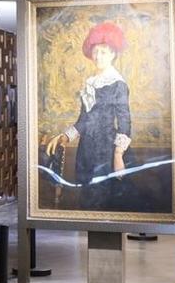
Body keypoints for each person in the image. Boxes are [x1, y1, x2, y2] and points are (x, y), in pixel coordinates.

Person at [45, 22, 133, 205]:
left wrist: (118, 155)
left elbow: (125, 122)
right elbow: (84, 120)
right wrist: (64, 136)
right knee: (87, 197)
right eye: (95, 52)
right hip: (86, 150)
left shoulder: (118, 84)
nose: (98, 56)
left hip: (107, 151)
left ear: (113, 54)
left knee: (103, 198)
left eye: (103, 52)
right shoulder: (90, 83)